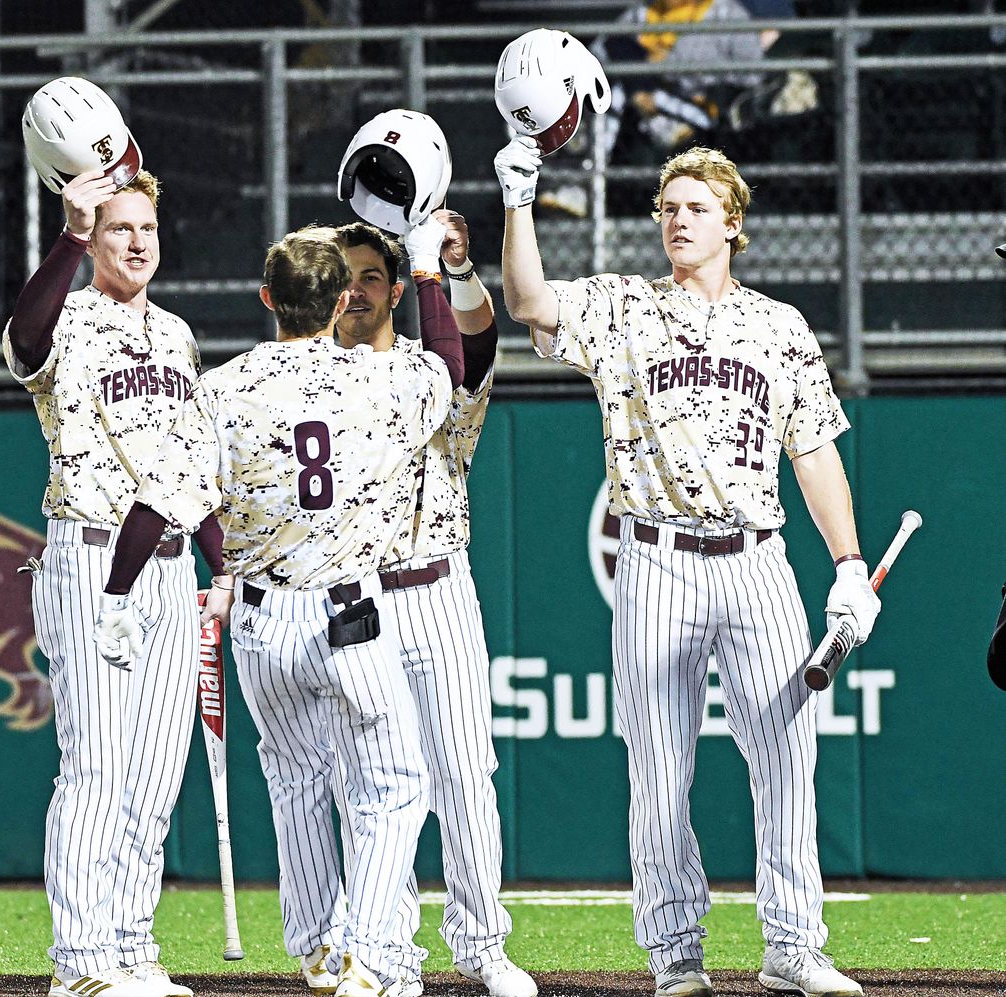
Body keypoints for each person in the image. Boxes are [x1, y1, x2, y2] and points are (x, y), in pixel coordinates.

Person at [494, 137, 879, 997]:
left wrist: (849, 564)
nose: (677, 220)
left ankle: (794, 945)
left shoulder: (780, 326)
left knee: (786, 760)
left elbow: (813, 455)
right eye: (668, 207)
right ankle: (675, 954)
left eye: (697, 208)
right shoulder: (624, 305)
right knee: (660, 770)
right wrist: (518, 198)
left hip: (758, 561)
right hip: (656, 560)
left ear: (733, 224)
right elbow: (527, 298)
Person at [94, 224, 466, 997]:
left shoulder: (222, 388)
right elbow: (451, 370)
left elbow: (153, 504)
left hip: (263, 621)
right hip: (349, 614)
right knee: (395, 786)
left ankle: (316, 948)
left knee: (296, 781)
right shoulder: (379, 378)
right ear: (339, 302)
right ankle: (365, 950)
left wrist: (115, 596)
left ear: (268, 299)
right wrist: (425, 270)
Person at [293, 213, 536, 997]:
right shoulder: (311, 378)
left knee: (465, 772)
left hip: (436, 589)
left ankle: (482, 945)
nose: (357, 289)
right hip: (353, 596)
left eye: (371, 276)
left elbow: (478, 355)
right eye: (344, 276)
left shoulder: (437, 368)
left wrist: (450, 268)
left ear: (397, 289)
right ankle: (385, 949)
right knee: (367, 783)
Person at [3, 167, 231, 997]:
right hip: (90, 553)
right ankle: (82, 961)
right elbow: (25, 343)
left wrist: (222, 562)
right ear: (94, 241)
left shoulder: (177, 335)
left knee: (156, 771)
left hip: (171, 566)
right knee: (95, 767)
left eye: (146, 229)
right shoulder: (66, 316)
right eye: (119, 229)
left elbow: (190, 461)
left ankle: (132, 946)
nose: (136, 242)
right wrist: (67, 233)